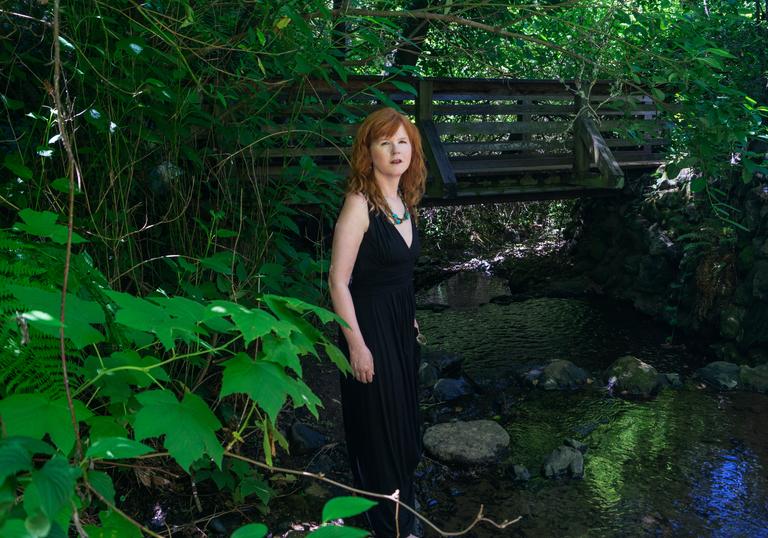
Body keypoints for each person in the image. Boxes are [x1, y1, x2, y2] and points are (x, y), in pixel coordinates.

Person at [328, 107, 427, 537]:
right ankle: (384, 522)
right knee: (377, 426)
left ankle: (402, 505)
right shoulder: (359, 202)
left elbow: (398, 274)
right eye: (385, 142)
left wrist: (412, 318)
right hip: (367, 328)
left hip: (400, 328)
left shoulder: (405, 201)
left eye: (402, 141)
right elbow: (337, 280)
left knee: (403, 422)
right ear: (368, 152)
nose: (395, 149)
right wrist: (356, 345)